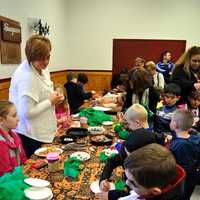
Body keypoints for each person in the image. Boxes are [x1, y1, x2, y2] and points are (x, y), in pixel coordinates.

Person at [9, 35, 63, 158]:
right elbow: (26, 113)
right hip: (31, 134)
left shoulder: (42, 68)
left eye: (48, 57)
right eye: (41, 59)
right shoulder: (27, 77)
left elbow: (42, 94)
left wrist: (55, 98)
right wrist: (50, 101)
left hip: (43, 129)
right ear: (31, 57)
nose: (46, 62)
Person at [96, 144, 185, 200]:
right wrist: (112, 195)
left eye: (133, 183)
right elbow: (134, 193)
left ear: (155, 191)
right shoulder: (149, 189)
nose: (126, 182)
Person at [169, 109, 200, 200]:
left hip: (181, 181)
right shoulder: (196, 138)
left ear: (175, 124)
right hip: (193, 177)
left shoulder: (179, 145)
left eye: (171, 120)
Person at [0, 101, 27, 176]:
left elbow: (23, 159)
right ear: (1, 120)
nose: (18, 119)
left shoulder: (15, 136)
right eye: (14, 116)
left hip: (18, 175)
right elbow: (5, 173)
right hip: (8, 182)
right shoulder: (1, 143)